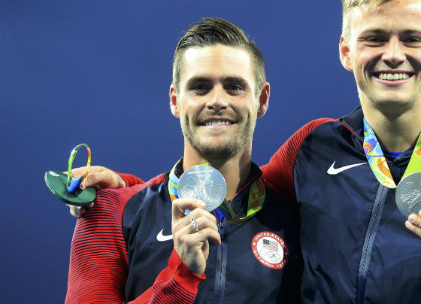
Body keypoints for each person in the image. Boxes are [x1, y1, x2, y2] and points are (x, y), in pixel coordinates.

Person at [70, 0, 421, 304]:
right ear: (346, 52)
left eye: (411, 38)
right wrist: (129, 192)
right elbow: (237, 187)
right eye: (374, 38)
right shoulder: (313, 148)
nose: (393, 54)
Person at [65, 17, 302, 304]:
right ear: (175, 101)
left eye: (234, 87)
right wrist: (181, 276)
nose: (216, 100)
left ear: (262, 99)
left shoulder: (300, 215)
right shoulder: (110, 213)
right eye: (200, 87)